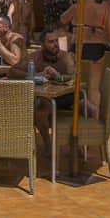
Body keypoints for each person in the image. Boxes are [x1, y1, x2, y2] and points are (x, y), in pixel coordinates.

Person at [61, 0, 110, 117]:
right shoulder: (103, 9)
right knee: (94, 87)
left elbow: (63, 19)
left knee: (77, 83)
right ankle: (94, 117)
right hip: (97, 48)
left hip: (79, 48)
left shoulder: (76, 7)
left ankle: (78, 115)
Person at [34, 26, 76, 156]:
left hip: (68, 95)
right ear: (42, 44)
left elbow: (73, 76)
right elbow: (14, 70)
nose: (55, 44)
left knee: (89, 108)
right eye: (50, 42)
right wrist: (38, 74)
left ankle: (78, 145)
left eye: (56, 41)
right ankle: (48, 143)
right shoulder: (37, 56)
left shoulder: (65, 56)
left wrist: (59, 77)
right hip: (48, 97)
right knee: (39, 112)